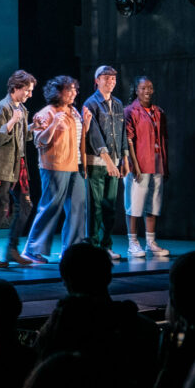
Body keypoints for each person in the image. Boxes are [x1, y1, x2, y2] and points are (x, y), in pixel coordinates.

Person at [21, 75, 88, 264]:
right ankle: (33, 249)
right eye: (70, 89)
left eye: (75, 89)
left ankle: (73, 249)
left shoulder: (73, 111)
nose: (74, 92)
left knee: (78, 206)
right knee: (51, 206)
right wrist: (54, 124)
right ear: (58, 92)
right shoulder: (47, 112)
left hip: (75, 164)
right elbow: (39, 141)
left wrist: (87, 123)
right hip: (54, 165)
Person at [0, 70, 37, 267]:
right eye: (27, 90)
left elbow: (22, 138)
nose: (30, 94)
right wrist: (12, 121)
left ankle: (12, 248)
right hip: (0, 165)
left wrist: (34, 127)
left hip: (17, 163)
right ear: (16, 88)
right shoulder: (1, 108)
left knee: (26, 205)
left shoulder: (21, 108)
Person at [82, 65, 128, 260]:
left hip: (115, 161)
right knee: (96, 206)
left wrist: (124, 159)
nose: (111, 81)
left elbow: (123, 132)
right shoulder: (90, 104)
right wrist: (108, 161)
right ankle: (93, 248)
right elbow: (94, 135)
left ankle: (106, 245)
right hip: (97, 163)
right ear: (97, 80)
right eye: (106, 78)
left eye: (113, 78)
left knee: (110, 206)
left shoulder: (117, 103)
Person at [124, 76, 169, 257]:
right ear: (136, 90)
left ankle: (151, 241)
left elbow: (164, 140)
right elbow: (128, 141)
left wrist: (165, 164)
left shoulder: (159, 112)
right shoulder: (130, 111)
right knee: (134, 204)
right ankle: (132, 242)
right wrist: (134, 165)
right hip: (139, 164)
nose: (147, 91)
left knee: (153, 203)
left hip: (157, 162)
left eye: (150, 87)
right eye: (143, 88)